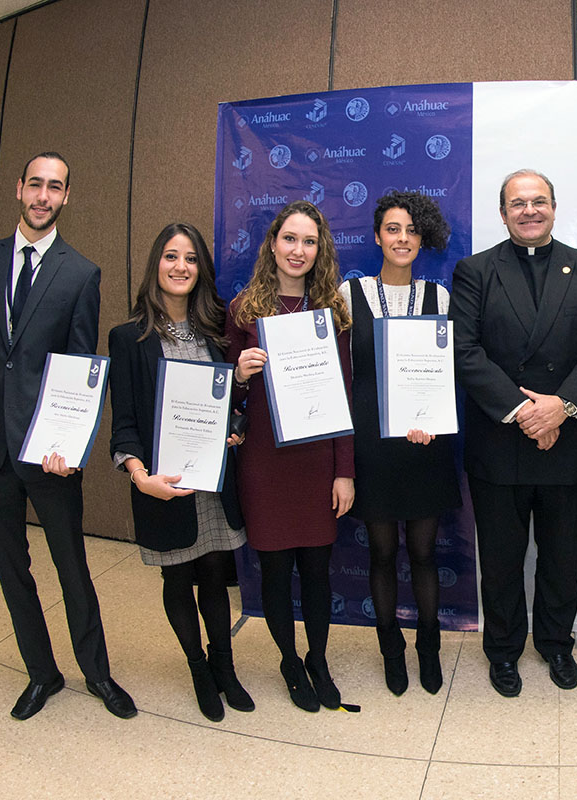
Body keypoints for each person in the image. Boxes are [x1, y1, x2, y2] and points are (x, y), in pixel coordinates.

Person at [0, 151, 136, 719]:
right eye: (35, 184)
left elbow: (80, 367)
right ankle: (42, 674)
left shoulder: (80, 273)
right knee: (11, 569)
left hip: (50, 454)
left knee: (71, 567)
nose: (43, 196)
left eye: (55, 188)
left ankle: (97, 675)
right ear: (19, 189)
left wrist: (71, 446)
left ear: (67, 197)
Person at [449, 169, 577, 696]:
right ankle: (503, 651)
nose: (529, 210)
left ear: (554, 207)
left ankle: (555, 644)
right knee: (501, 562)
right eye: (518, 203)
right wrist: (525, 413)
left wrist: (562, 406)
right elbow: (464, 349)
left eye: (539, 201)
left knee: (562, 559)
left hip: (566, 445)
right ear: (502, 213)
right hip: (499, 444)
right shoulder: (475, 271)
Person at [108, 222, 254, 721]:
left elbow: (229, 400)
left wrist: (234, 426)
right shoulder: (129, 337)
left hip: (213, 484)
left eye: (191, 259)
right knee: (179, 579)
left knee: (215, 573)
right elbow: (123, 421)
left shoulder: (215, 329)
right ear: (156, 265)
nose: (181, 267)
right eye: (171, 257)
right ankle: (197, 668)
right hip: (163, 485)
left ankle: (224, 666)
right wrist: (138, 474)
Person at [225, 200, 355, 713]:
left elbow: (345, 394)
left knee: (318, 569)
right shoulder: (243, 309)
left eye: (309, 241)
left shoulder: (333, 312)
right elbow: (224, 397)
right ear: (273, 244)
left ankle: (318, 659)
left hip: (317, 463)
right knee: (275, 572)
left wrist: (344, 470)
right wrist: (237, 373)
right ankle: (287, 659)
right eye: (289, 239)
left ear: (319, 249)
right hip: (264, 463)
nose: (298, 250)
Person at [337, 191, 460, 696]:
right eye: (392, 228)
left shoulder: (440, 297)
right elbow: (341, 374)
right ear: (377, 237)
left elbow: (447, 373)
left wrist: (430, 415)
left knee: (425, 552)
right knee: (383, 554)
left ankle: (428, 645)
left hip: (426, 444)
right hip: (374, 447)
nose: (402, 238)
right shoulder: (349, 296)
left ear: (422, 238)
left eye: (411, 230)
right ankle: (391, 647)